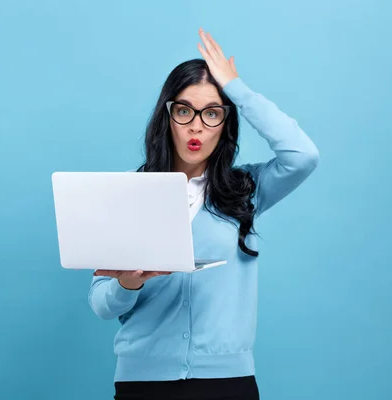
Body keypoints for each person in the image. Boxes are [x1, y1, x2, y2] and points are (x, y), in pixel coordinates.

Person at [89, 27, 320, 400]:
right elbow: (101, 303)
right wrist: (128, 283)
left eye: (212, 113)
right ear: (168, 118)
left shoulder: (247, 189)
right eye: (184, 111)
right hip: (143, 384)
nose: (196, 125)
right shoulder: (129, 195)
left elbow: (303, 155)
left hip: (228, 384)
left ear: (225, 123)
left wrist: (237, 90)